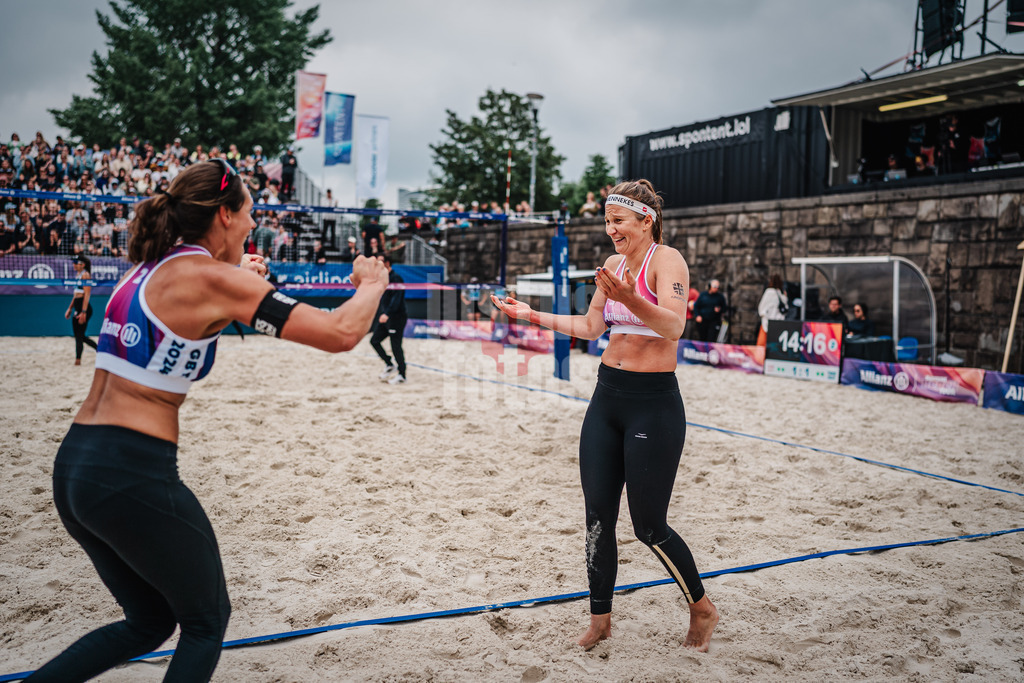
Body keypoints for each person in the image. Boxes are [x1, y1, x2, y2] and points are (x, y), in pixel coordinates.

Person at [24, 159, 389, 682]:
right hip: (131, 470)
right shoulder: (211, 278)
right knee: (206, 621)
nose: (252, 226)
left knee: (148, 622)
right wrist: (371, 284)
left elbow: (185, 319)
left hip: (76, 467)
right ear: (222, 215)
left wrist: (238, 282)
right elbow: (340, 333)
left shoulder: (146, 269)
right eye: (248, 215)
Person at [491, 179, 718, 652]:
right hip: (606, 397)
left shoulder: (667, 261)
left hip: (653, 404)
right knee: (597, 519)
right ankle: (600, 620)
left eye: (618, 222)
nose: (611, 230)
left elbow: (673, 326)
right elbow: (592, 328)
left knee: (649, 526)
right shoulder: (613, 265)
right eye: (608, 222)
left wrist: (631, 297)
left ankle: (701, 606)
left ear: (645, 220)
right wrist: (529, 314)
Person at [371, 255, 408, 384]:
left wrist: (386, 313)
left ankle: (402, 375)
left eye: (380, 262)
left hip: (396, 317)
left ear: (387, 263)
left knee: (396, 346)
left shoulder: (396, 278)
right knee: (374, 341)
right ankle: (389, 364)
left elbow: (396, 299)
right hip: (386, 317)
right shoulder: (382, 279)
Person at [65, 254, 98, 365]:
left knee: (79, 335)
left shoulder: (85, 275)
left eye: (76, 262)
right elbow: (76, 294)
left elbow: (87, 295)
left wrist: (83, 312)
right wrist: (70, 308)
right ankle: (99, 350)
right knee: (79, 335)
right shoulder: (78, 275)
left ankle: (78, 360)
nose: (73, 264)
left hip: (84, 308)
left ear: (82, 265)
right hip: (78, 307)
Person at [756, 274, 788, 347]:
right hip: (777, 322)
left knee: (762, 344)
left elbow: (761, 307)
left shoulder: (769, 292)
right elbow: (785, 309)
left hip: (767, 321)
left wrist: (764, 315)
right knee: (774, 345)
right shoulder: (780, 294)